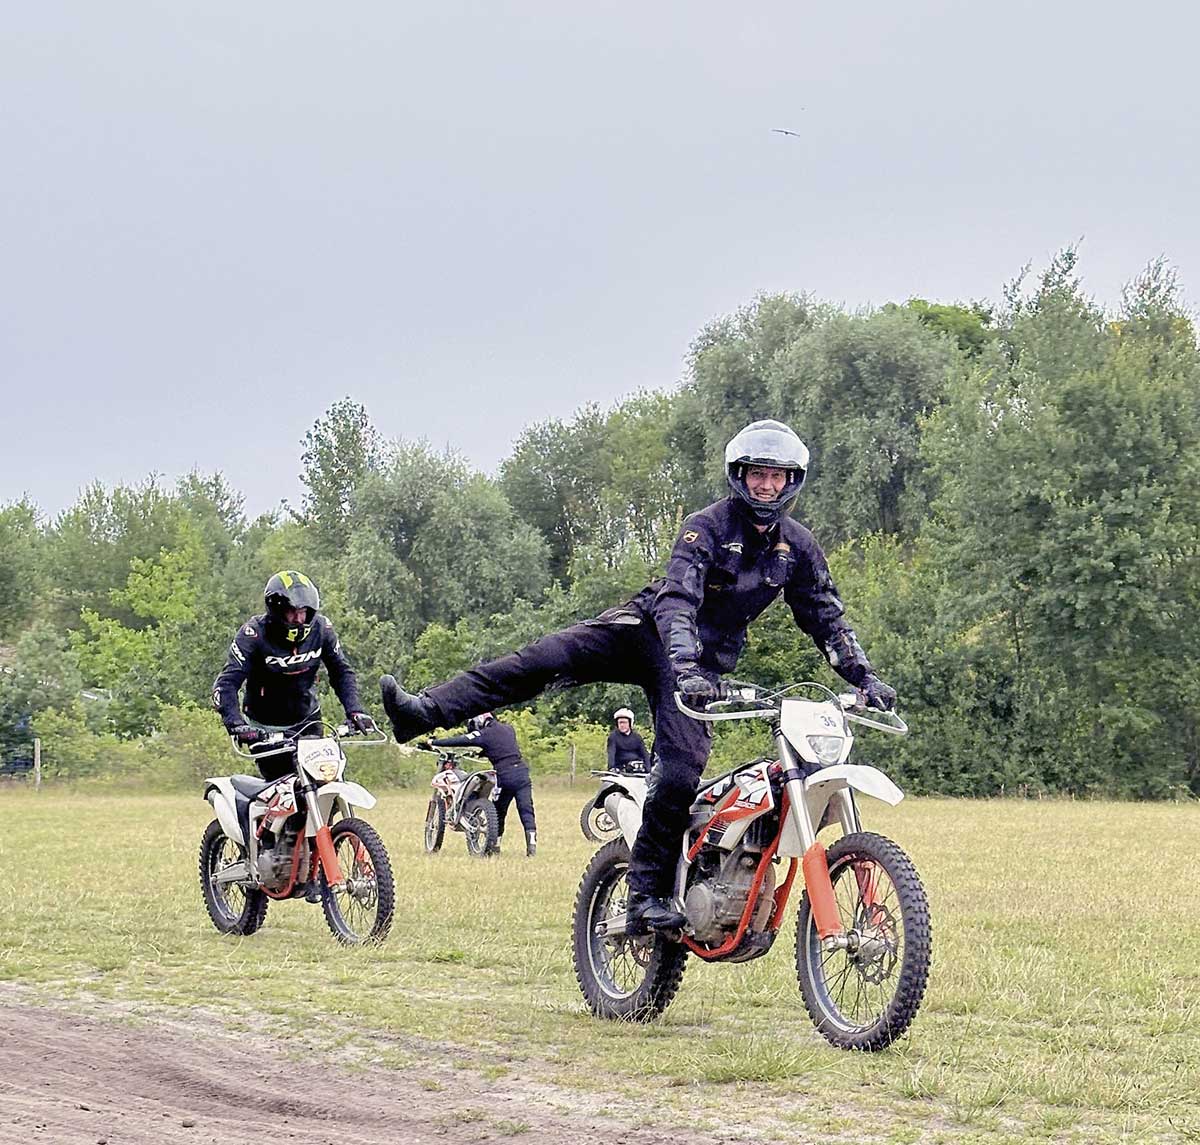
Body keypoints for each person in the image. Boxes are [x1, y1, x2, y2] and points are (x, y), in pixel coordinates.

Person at [380, 420, 895, 933]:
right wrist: (684, 665)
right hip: (644, 634)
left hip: (703, 671)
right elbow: (678, 600)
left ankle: (649, 892)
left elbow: (826, 615)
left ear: (792, 482)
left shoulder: (797, 547)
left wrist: (865, 677)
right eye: (757, 473)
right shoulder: (706, 527)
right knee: (536, 661)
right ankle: (423, 711)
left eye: (777, 476)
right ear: (738, 475)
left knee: (678, 774)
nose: (766, 485)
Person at [212, 570, 376, 781]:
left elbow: (341, 671)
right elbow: (226, 683)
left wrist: (354, 711)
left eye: (304, 612)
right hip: (266, 729)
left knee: (325, 782)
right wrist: (236, 724)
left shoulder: (322, 629)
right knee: (285, 791)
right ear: (276, 610)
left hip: (308, 720)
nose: (300, 619)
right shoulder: (253, 634)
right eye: (292, 612)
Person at [423, 712, 537, 856]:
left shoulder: (483, 735)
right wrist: (482, 752)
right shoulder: (509, 729)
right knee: (526, 810)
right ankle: (531, 848)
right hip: (522, 773)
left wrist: (433, 742)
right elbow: (501, 746)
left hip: (504, 776)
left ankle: (495, 846)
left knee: (498, 812)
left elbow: (461, 740)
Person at [607, 707, 650, 773]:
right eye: (620, 723)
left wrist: (648, 769)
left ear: (630, 723)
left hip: (637, 768)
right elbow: (611, 753)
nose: (622, 725)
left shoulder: (637, 737)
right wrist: (612, 768)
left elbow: (645, 754)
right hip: (620, 769)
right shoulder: (613, 737)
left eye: (624, 722)